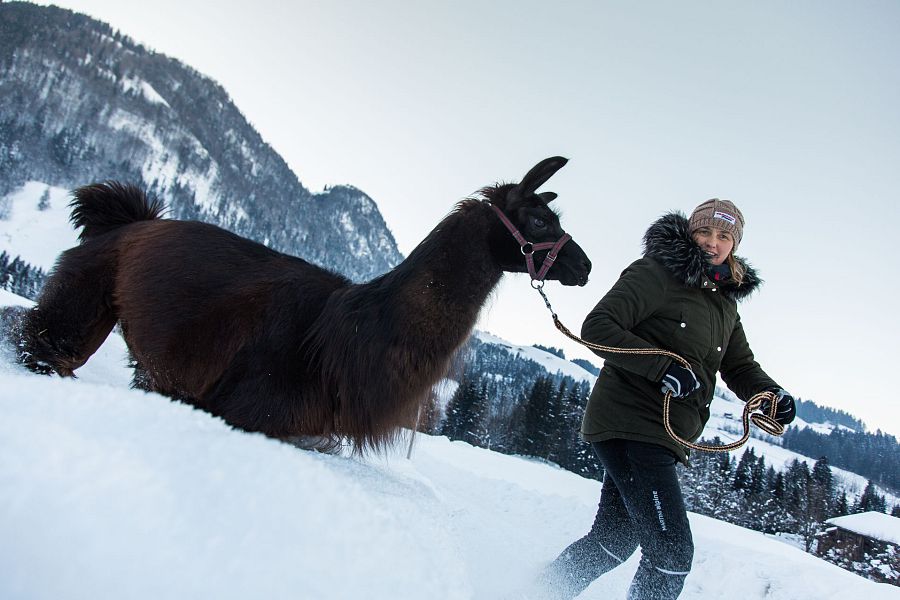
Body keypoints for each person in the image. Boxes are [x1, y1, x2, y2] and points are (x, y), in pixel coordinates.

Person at [539, 199, 796, 599]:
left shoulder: (724, 305)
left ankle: (537, 591)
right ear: (690, 233)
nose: (713, 242)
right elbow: (599, 326)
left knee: (615, 539)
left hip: (665, 433)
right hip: (631, 421)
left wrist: (771, 394)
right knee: (672, 554)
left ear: (735, 245)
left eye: (724, 236)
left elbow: (741, 367)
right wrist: (661, 366)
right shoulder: (656, 273)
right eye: (705, 232)